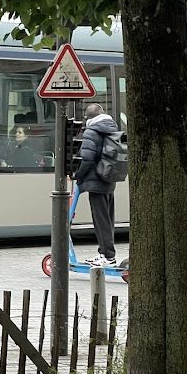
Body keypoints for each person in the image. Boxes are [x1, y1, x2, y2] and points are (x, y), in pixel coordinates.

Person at [74, 103, 119, 267]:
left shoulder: (91, 132)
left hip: (95, 182)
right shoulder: (111, 128)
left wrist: (77, 175)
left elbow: (86, 159)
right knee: (107, 219)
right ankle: (106, 253)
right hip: (109, 179)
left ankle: (108, 256)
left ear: (88, 118)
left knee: (100, 220)